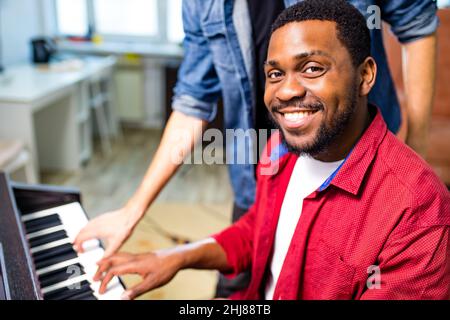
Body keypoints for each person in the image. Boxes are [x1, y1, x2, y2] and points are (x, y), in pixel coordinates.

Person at [74, 0, 439, 298]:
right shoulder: (276, 152)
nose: (285, 90)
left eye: (312, 68)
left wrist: (413, 156)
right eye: (275, 74)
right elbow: (261, 230)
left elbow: (417, 25)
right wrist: (171, 255)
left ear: (364, 75)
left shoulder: (417, 215)